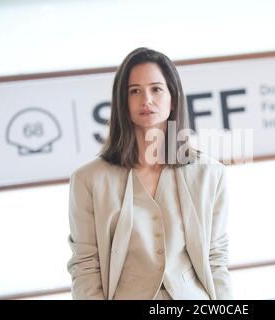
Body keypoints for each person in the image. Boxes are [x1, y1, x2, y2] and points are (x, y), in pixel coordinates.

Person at [67, 47, 232, 300]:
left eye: (156, 89)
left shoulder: (211, 174)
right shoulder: (88, 180)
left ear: (173, 98)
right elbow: (86, 266)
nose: (146, 100)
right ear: (123, 101)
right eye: (135, 91)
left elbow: (216, 258)